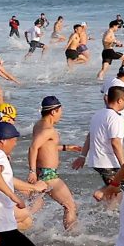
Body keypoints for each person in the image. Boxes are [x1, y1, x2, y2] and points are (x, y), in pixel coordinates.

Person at [27, 96, 82, 229]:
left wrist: (66, 147)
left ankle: (12, 225)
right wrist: (32, 171)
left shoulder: (39, 125)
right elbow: (33, 147)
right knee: (70, 205)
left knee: (32, 209)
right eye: (60, 111)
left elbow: (45, 147)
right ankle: (72, 238)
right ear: (53, 112)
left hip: (41, 172)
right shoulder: (49, 130)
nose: (61, 114)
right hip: (48, 175)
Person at [72, 86, 124, 185]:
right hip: (108, 162)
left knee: (113, 189)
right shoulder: (115, 118)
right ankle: (99, 195)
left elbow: (90, 136)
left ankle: (101, 196)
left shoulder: (98, 114)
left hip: (97, 160)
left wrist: (82, 156)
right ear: (120, 100)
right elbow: (115, 142)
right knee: (117, 190)